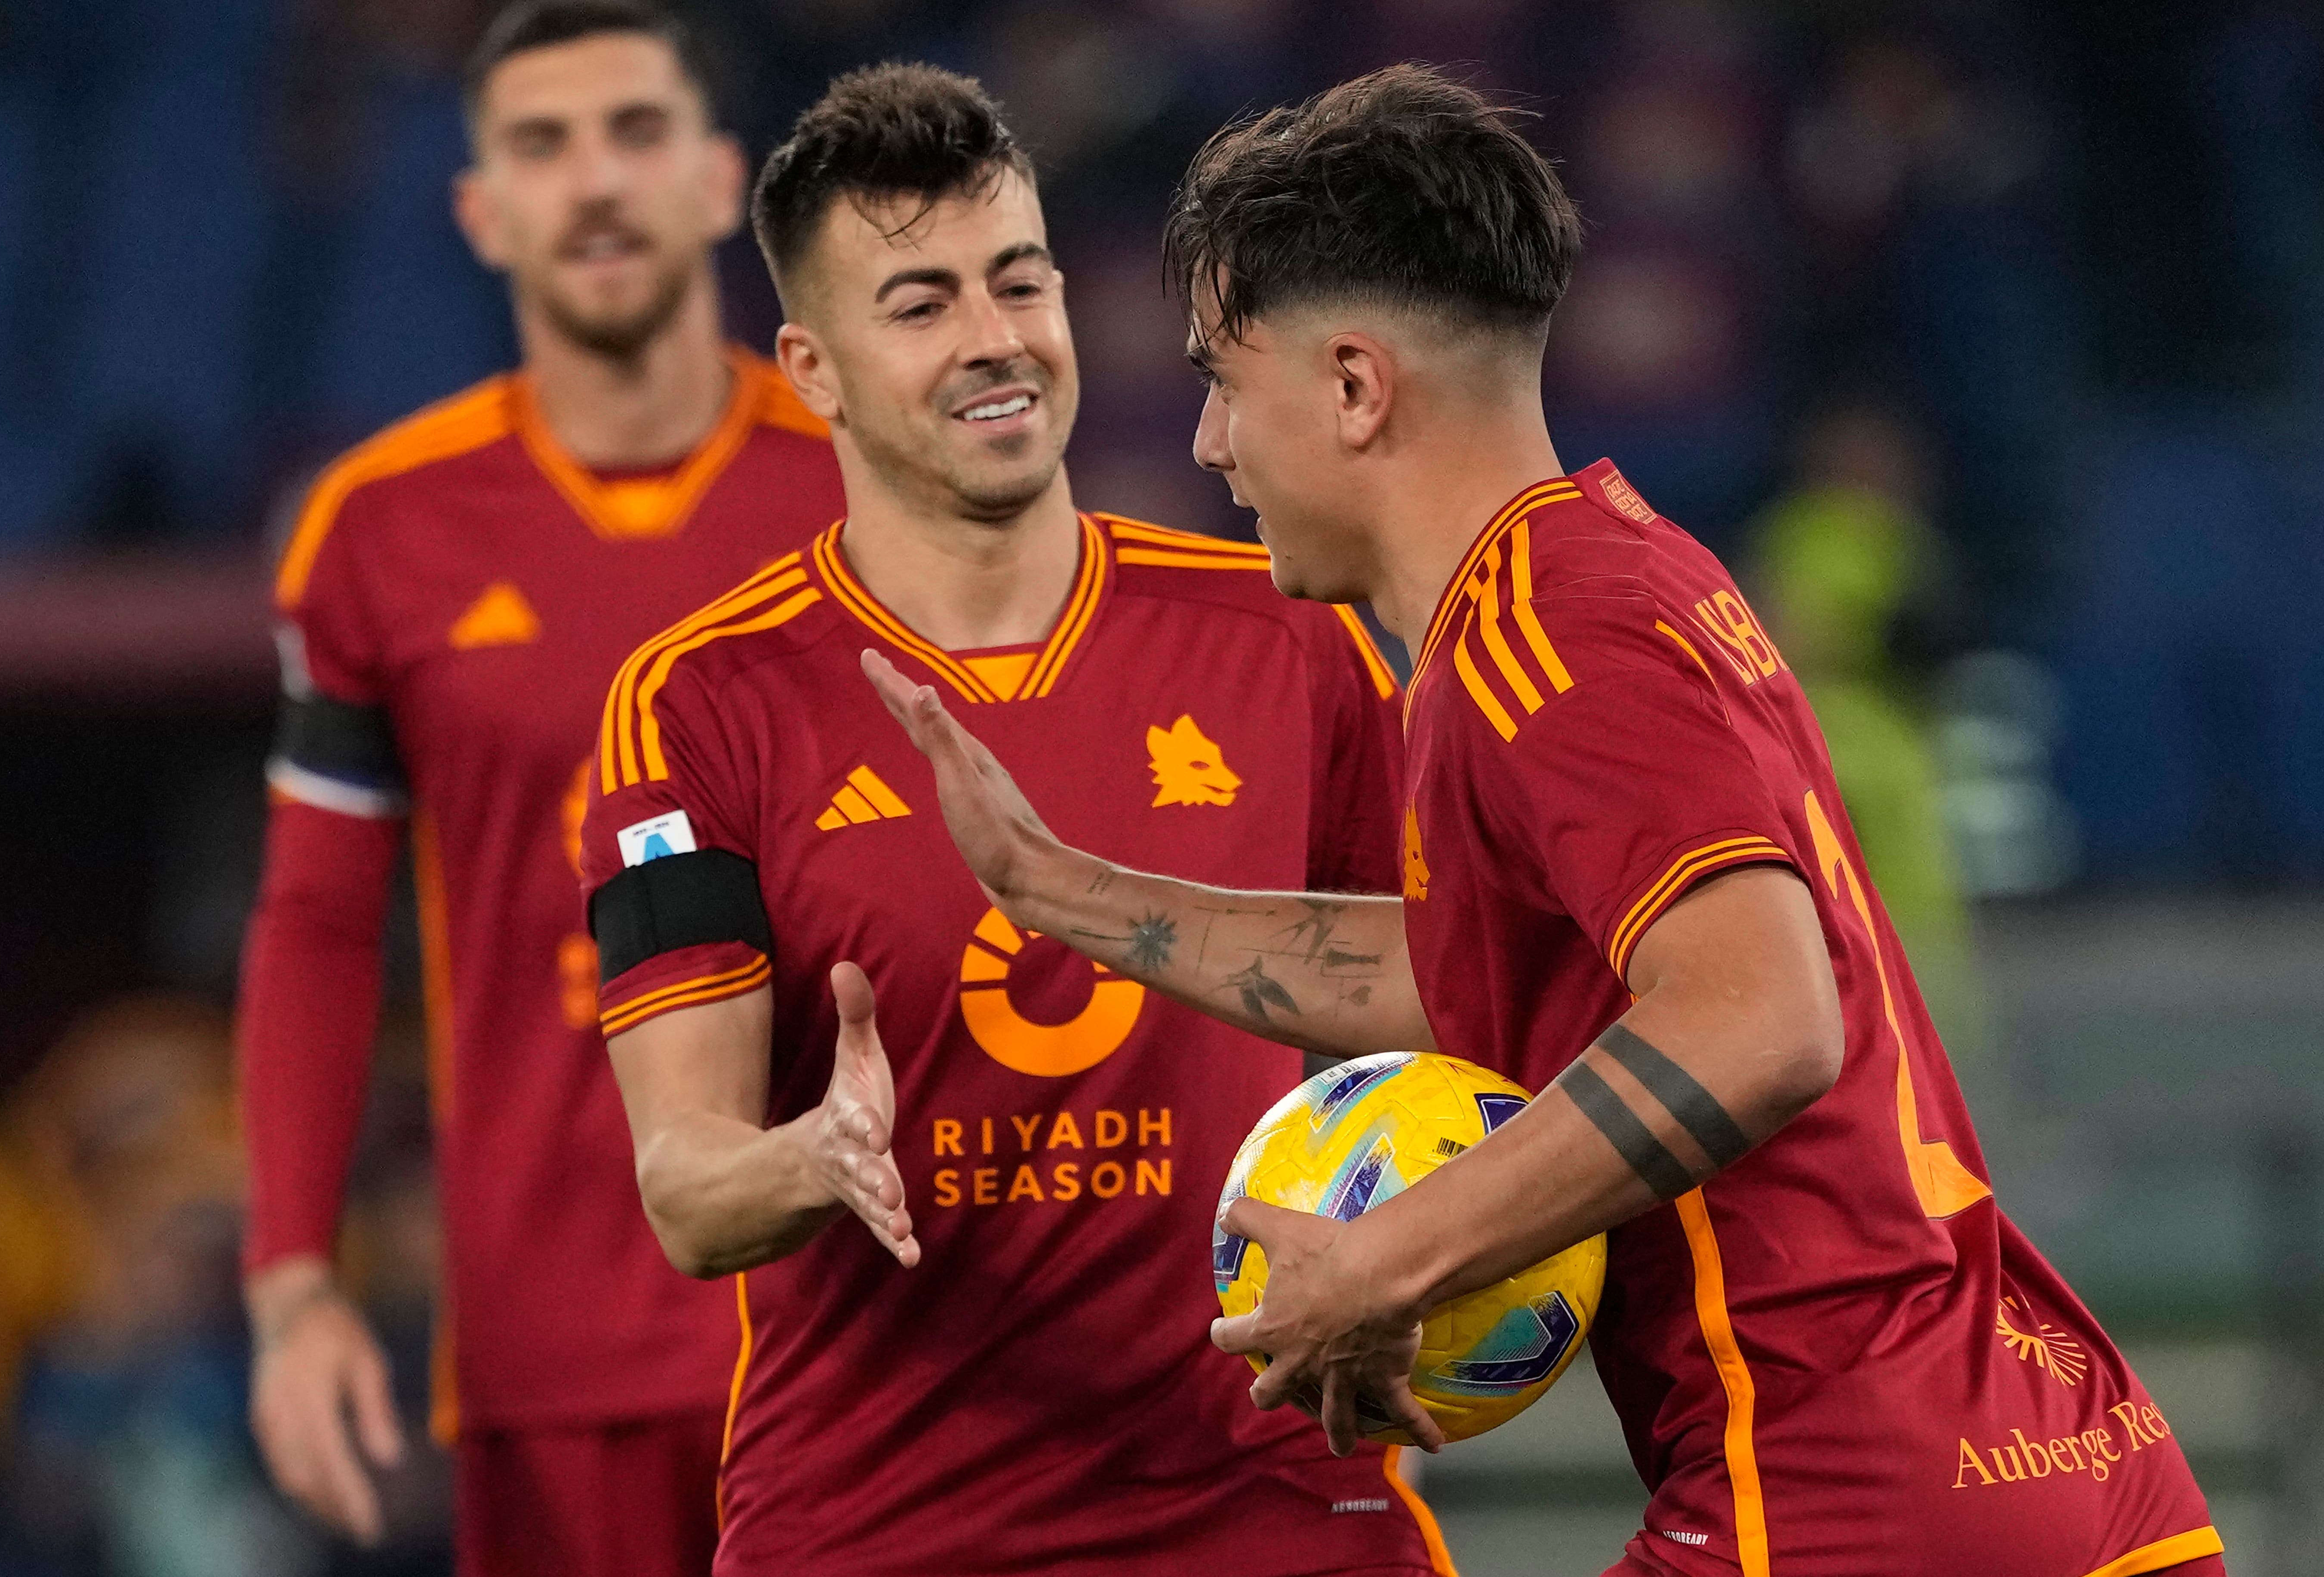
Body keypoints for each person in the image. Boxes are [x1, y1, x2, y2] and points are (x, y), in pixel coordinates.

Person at [866, 66, 2225, 1577]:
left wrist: (1383, 1259)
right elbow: (1491, 972)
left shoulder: (1549, 636)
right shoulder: (1607, 577)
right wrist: (1069, 895)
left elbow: (1760, 1019)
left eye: (1221, 381)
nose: (1207, 447)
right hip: (2031, 1445)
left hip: (1839, 1484)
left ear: (1353, 387)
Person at [576, 62, 1445, 1577]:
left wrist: (1423, 1244)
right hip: (882, 1529)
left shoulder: (1282, 634)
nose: (995, 342)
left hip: (1273, 1511)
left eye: (1018, 281)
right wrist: (816, 1158)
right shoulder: (698, 704)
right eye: (917, 305)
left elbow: (1446, 999)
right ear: (814, 367)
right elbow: (687, 1184)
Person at [235, 3, 843, 1573]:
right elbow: (313, 923)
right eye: (541, 144)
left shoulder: (868, 481)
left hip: (869, 1311)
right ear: (478, 209)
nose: (594, 183)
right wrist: (294, 1279)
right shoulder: (375, 533)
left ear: (723, 185)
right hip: (550, 1338)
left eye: (636, 134)